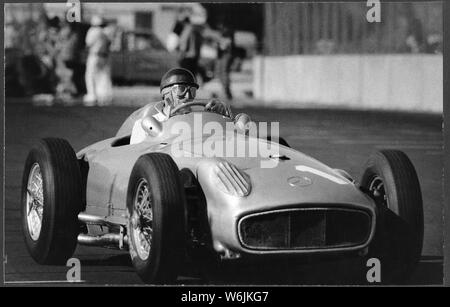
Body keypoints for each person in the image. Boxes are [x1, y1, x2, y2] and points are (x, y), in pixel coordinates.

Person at [130, 68, 229, 144]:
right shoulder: (143, 125)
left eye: (192, 91)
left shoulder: (199, 121)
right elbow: (136, 156)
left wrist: (218, 117)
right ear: (166, 93)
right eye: (181, 89)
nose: (188, 95)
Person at [83, 15, 113, 106]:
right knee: (103, 77)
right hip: (105, 56)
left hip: (95, 56)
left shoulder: (93, 31)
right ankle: (104, 96)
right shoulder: (108, 31)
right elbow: (109, 43)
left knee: (90, 76)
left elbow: (88, 43)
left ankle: (92, 95)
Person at [216, 23, 235, 100]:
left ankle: (227, 91)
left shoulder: (227, 38)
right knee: (220, 73)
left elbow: (223, 47)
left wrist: (219, 42)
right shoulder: (224, 37)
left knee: (224, 73)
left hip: (225, 56)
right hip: (221, 56)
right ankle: (225, 90)